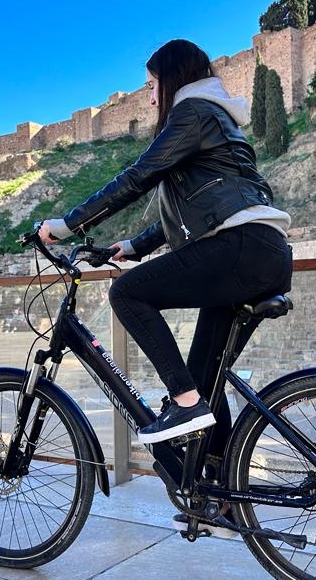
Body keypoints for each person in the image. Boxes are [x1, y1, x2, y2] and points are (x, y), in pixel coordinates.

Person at [38, 38, 292, 461]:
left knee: (127, 293)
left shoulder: (191, 112)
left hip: (238, 248)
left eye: (153, 83)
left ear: (173, 79)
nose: (151, 94)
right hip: (263, 251)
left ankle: (185, 404)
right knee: (203, 380)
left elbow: (140, 176)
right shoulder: (216, 117)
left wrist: (67, 225)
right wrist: (135, 245)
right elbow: (208, 204)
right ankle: (218, 493)